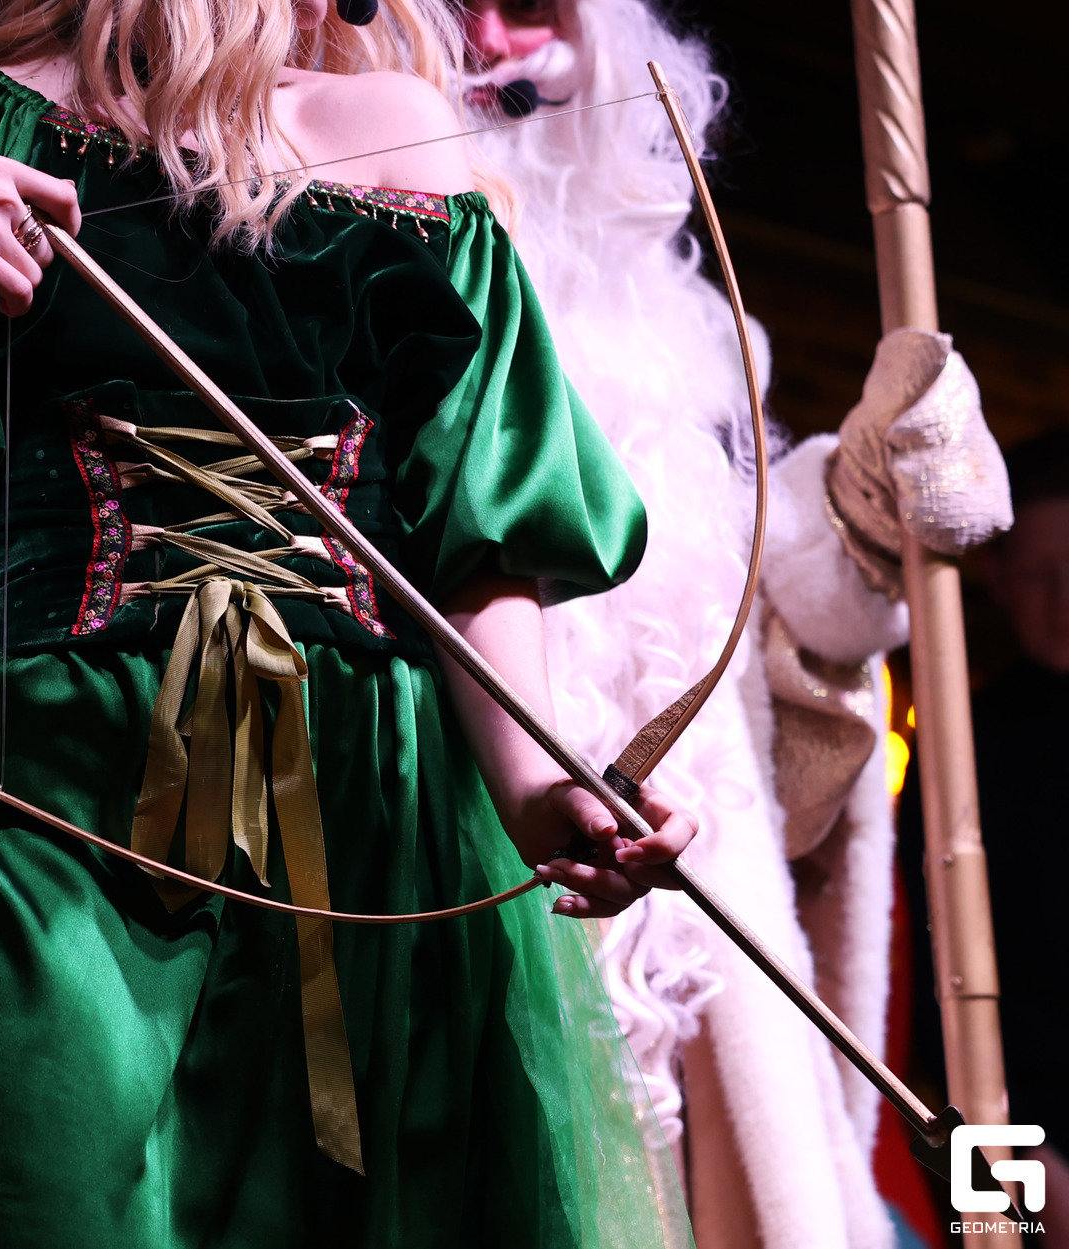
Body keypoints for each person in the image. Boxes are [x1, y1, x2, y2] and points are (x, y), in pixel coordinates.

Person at [0, 0, 703, 1244]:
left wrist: (541, 790)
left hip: (372, 820)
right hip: (53, 811)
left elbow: (471, 540)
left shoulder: (400, 133)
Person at [455, 1, 1012, 1246]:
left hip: (697, 990)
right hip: (457, 955)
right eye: (445, 5)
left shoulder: (672, 339)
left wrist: (866, 499)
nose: (489, 39)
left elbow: (768, 670)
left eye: (529, 1)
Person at [900, 429, 1069, 1249]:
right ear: (997, 579)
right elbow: (933, 994)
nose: (1064, 600)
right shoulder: (960, 746)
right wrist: (1027, 1169)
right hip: (1022, 1143)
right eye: (1039, 575)